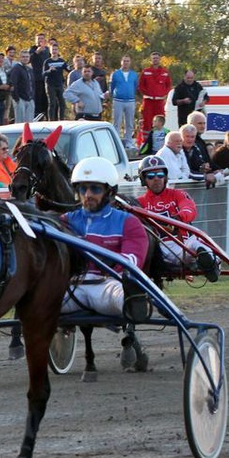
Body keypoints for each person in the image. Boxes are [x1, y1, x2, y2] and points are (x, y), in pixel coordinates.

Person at [60, 157, 151, 370]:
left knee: (125, 292)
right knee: (41, 299)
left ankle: (135, 306)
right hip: (74, 288)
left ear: (109, 192)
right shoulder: (65, 221)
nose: (88, 195)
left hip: (108, 285)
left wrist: (107, 260)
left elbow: (132, 261)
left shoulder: (128, 222)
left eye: (94, 189)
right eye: (83, 189)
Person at [135, 155, 220, 282]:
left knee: (198, 245)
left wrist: (179, 218)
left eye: (160, 174)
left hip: (185, 242)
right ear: (143, 180)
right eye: (151, 176)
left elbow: (189, 208)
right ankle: (202, 261)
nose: (156, 179)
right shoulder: (139, 203)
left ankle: (208, 261)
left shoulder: (178, 194)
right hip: (161, 247)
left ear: (165, 177)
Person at [139, 52, 171, 132]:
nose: (155, 60)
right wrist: (147, 93)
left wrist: (163, 93)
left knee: (160, 120)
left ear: (160, 59)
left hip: (159, 101)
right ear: (151, 60)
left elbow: (168, 85)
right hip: (148, 101)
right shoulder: (146, 71)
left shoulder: (165, 72)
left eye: (157, 58)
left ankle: (159, 139)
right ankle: (146, 141)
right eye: (153, 58)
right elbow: (141, 85)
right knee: (147, 121)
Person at [109, 55, 138, 141]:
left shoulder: (134, 74)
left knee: (129, 123)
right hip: (118, 100)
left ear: (130, 62)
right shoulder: (115, 74)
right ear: (121, 62)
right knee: (116, 122)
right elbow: (112, 86)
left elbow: (135, 86)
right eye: (124, 61)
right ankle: (116, 141)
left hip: (130, 101)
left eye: (127, 61)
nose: (126, 63)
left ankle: (128, 141)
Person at [42, 44, 69, 121]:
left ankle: (61, 120)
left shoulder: (61, 61)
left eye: (56, 49)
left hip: (59, 84)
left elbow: (68, 69)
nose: (54, 51)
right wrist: (49, 70)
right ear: (50, 51)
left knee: (62, 103)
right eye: (53, 49)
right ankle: (51, 120)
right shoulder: (47, 61)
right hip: (50, 85)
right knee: (52, 103)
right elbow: (43, 74)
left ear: (58, 51)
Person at [28, 33, 50, 119]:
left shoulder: (48, 50)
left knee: (46, 99)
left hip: (47, 78)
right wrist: (37, 51)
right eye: (38, 39)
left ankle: (47, 116)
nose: (40, 40)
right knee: (37, 98)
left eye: (42, 38)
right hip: (37, 78)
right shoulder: (32, 49)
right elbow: (29, 60)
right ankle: (37, 116)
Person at [9, 49, 34, 124]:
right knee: (20, 123)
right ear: (20, 58)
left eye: (27, 57)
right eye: (23, 57)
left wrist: (32, 96)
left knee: (29, 123)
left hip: (30, 99)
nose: (25, 58)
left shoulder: (29, 69)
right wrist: (16, 98)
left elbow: (32, 84)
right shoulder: (16, 68)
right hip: (20, 99)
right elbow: (13, 84)